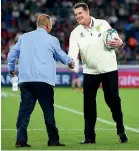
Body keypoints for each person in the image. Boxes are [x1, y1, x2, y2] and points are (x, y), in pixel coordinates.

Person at [7, 14, 74, 148]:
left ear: (37, 24)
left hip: (26, 81)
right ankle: (53, 140)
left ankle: (21, 141)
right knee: (48, 112)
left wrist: (11, 68)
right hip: (44, 81)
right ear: (48, 25)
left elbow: (11, 54)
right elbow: (60, 55)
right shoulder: (52, 40)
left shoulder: (24, 38)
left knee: (24, 112)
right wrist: (70, 61)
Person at [68, 3, 128, 144]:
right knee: (88, 104)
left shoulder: (103, 24)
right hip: (90, 72)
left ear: (87, 11)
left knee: (112, 99)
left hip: (109, 69)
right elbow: (72, 53)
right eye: (75, 14)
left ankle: (121, 130)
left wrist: (119, 43)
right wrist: (72, 62)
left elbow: (117, 39)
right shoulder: (75, 33)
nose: (77, 16)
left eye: (80, 13)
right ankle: (89, 137)